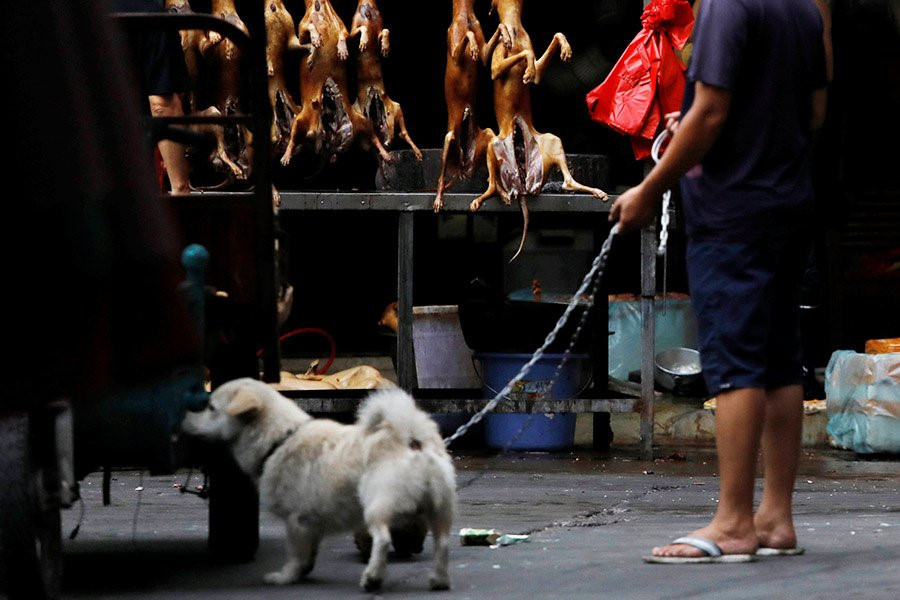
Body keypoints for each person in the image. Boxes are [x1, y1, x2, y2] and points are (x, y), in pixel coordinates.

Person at [609, 0, 829, 562]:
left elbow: (711, 111)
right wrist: (709, 123)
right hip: (788, 201)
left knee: (735, 359)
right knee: (781, 359)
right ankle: (775, 518)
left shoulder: (728, 5)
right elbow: (812, 111)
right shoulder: (803, 11)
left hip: (733, 212)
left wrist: (649, 189)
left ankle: (733, 522)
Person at [113, 0, 193, 194]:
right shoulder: (151, 13)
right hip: (132, 169)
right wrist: (180, 187)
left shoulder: (73, 14)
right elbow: (162, 105)